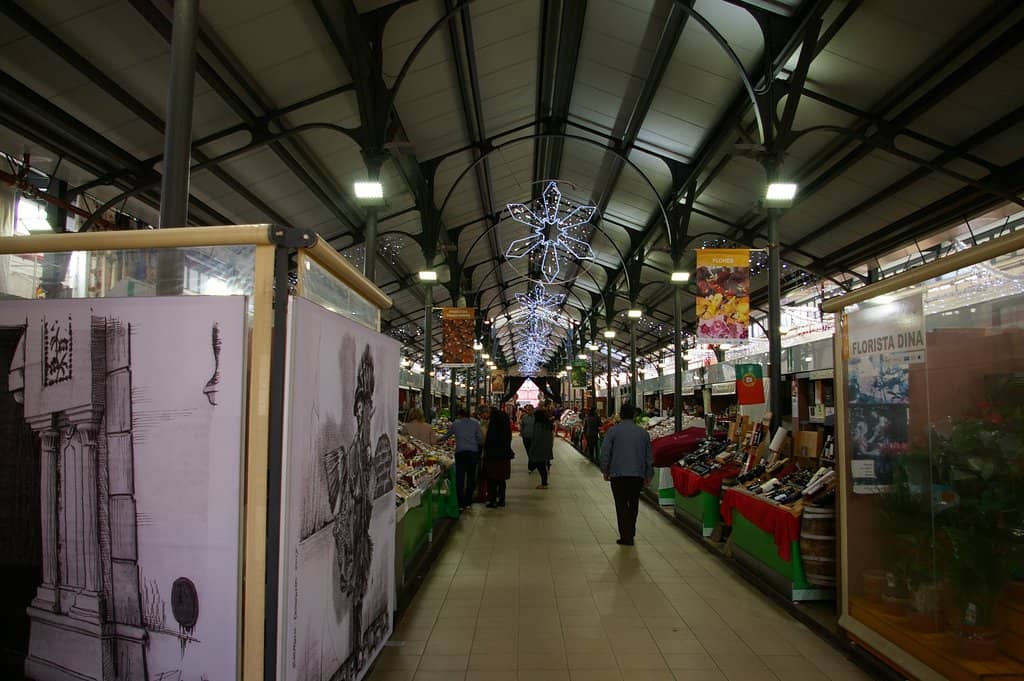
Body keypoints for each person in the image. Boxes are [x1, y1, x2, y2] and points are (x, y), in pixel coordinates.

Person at [600, 404, 653, 546]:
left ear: (621, 415)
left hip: (618, 474)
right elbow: (648, 456)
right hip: (637, 475)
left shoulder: (613, 431)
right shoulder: (643, 433)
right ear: (634, 415)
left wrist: (605, 470)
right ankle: (631, 531)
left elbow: (605, 452)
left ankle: (626, 535)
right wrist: (648, 475)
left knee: (621, 504)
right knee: (634, 503)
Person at [445, 408, 483, 509]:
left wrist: (438, 440)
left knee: (460, 477)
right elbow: (480, 439)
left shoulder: (456, 423)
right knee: (471, 477)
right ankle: (468, 502)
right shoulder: (476, 423)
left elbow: (447, 435)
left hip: (460, 453)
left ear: (460, 415)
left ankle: (460, 503)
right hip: (473, 453)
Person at [482, 407, 514, 507]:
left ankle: (492, 500)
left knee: (492, 479)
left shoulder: (493, 428)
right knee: (501, 479)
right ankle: (502, 500)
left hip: (493, 457)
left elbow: (488, 443)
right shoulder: (506, 429)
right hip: (504, 456)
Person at [530, 403, 555, 489]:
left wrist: (532, 448)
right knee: (543, 465)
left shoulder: (538, 425)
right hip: (546, 447)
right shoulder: (548, 424)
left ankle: (544, 483)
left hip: (539, 448)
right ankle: (544, 482)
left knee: (540, 465)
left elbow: (536, 438)